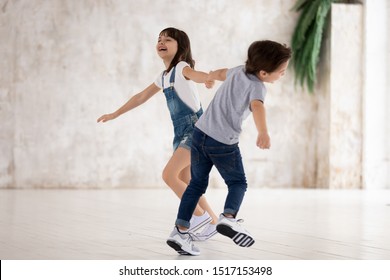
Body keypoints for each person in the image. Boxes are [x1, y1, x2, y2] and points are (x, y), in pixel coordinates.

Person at [166, 40, 292, 255]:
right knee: (237, 182)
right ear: (263, 72)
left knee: (196, 185)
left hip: (199, 135)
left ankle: (180, 231)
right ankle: (229, 218)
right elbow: (257, 107)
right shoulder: (257, 87)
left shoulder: (238, 71)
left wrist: (210, 77)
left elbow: (221, 72)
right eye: (281, 71)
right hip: (222, 142)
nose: (282, 74)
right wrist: (263, 132)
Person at [97, 27, 218, 240]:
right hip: (181, 132)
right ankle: (214, 222)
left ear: (181, 48)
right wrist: (115, 113)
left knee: (168, 175)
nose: (161, 42)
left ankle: (198, 217)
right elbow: (140, 97)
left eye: (168, 39)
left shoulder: (181, 67)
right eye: (159, 39)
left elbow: (194, 74)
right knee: (186, 180)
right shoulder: (163, 77)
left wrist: (207, 77)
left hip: (196, 129)